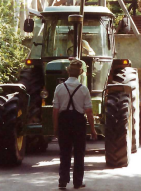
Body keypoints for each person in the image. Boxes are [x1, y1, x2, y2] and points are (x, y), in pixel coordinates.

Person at [53, 59, 98, 189]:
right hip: (78, 122)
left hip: (64, 122)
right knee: (79, 153)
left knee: (64, 152)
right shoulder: (84, 89)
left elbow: (55, 110)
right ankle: (77, 182)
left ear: (68, 71)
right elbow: (89, 111)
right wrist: (93, 130)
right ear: (80, 73)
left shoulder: (59, 88)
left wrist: (56, 127)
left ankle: (62, 181)